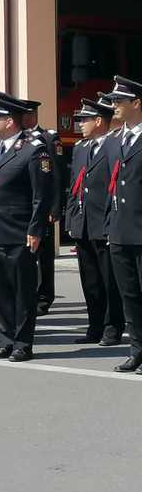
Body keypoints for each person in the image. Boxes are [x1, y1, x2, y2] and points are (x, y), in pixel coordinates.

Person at [0, 92, 55, 362]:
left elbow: (40, 195)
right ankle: (5, 339)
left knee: (21, 288)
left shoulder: (34, 149)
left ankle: (22, 342)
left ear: (9, 121)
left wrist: (35, 229)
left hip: (18, 229)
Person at [65, 98, 123, 346]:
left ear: (99, 121)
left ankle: (113, 327)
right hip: (84, 221)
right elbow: (74, 187)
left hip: (103, 221)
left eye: (84, 119)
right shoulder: (80, 147)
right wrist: (71, 219)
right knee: (89, 279)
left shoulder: (114, 145)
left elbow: (116, 187)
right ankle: (95, 324)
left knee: (109, 280)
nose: (80, 124)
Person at [104, 75, 142, 373]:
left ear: (137, 103)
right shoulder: (115, 140)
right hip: (120, 230)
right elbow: (111, 186)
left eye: (120, 101)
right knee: (129, 296)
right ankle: (137, 351)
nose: (114, 105)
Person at [18, 99, 65, 316]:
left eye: (27, 115)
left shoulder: (48, 138)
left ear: (34, 116)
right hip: (21, 209)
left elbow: (56, 175)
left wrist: (54, 208)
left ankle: (44, 297)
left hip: (42, 207)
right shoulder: (17, 140)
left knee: (43, 256)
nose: (24, 119)